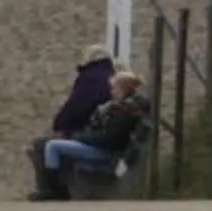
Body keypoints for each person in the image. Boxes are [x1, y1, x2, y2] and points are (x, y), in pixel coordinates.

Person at [28, 72, 151, 201]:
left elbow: (108, 139)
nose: (111, 91)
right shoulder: (123, 107)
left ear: (123, 88)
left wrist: (78, 137)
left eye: (114, 88)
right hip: (99, 146)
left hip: (104, 151)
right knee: (47, 143)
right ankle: (52, 189)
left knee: (52, 146)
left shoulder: (125, 111)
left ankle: (53, 190)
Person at [50, 47, 116, 137]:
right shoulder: (112, 76)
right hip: (102, 130)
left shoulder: (88, 78)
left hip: (86, 130)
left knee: (44, 144)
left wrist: (59, 123)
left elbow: (77, 105)